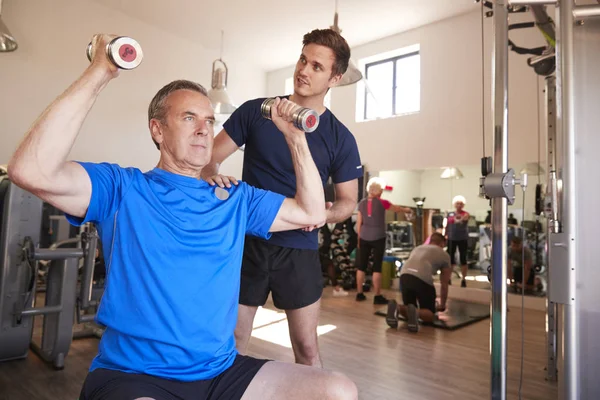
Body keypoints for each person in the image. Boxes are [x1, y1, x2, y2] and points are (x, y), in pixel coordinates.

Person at [7, 34, 357, 400]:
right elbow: (31, 170)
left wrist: (295, 137)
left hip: (219, 372)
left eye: (208, 119)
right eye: (189, 117)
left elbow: (312, 212)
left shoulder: (235, 198)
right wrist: (101, 70)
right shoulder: (122, 188)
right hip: (136, 374)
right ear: (158, 130)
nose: (205, 128)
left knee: (337, 389)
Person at [203, 28, 362, 367]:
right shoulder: (254, 112)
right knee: (233, 340)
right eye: (303, 60)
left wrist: (326, 216)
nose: (304, 70)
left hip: (299, 249)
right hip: (248, 243)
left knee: (306, 349)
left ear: (334, 77)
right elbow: (209, 159)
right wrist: (211, 174)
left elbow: (349, 202)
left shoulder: (340, 137)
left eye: (317, 66)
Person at [355, 177, 411, 304]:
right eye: (381, 190)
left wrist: (359, 238)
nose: (382, 192)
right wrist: (406, 210)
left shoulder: (361, 203)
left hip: (364, 236)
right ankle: (377, 295)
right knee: (377, 267)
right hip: (378, 237)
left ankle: (359, 293)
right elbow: (396, 209)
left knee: (361, 266)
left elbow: (359, 222)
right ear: (378, 191)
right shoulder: (382, 202)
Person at [386, 233, 451, 333]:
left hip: (404, 275)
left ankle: (397, 308)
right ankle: (416, 312)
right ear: (442, 244)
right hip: (421, 277)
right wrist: (442, 304)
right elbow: (444, 284)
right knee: (429, 315)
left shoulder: (418, 248)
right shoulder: (444, 254)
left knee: (409, 307)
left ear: (430, 241)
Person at [445, 195, 470, 287]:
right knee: (450, 259)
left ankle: (464, 279)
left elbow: (464, 218)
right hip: (452, 238)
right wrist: (445, 235)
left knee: (463, 258)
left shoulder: (466, 213)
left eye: (461, 204)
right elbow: (449, 222)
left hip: (463, 238)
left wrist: (458, 219)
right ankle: (449, 278)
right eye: (457, 203)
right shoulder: (450, 214)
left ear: (463, 205)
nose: (459, 205)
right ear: (454, 204)